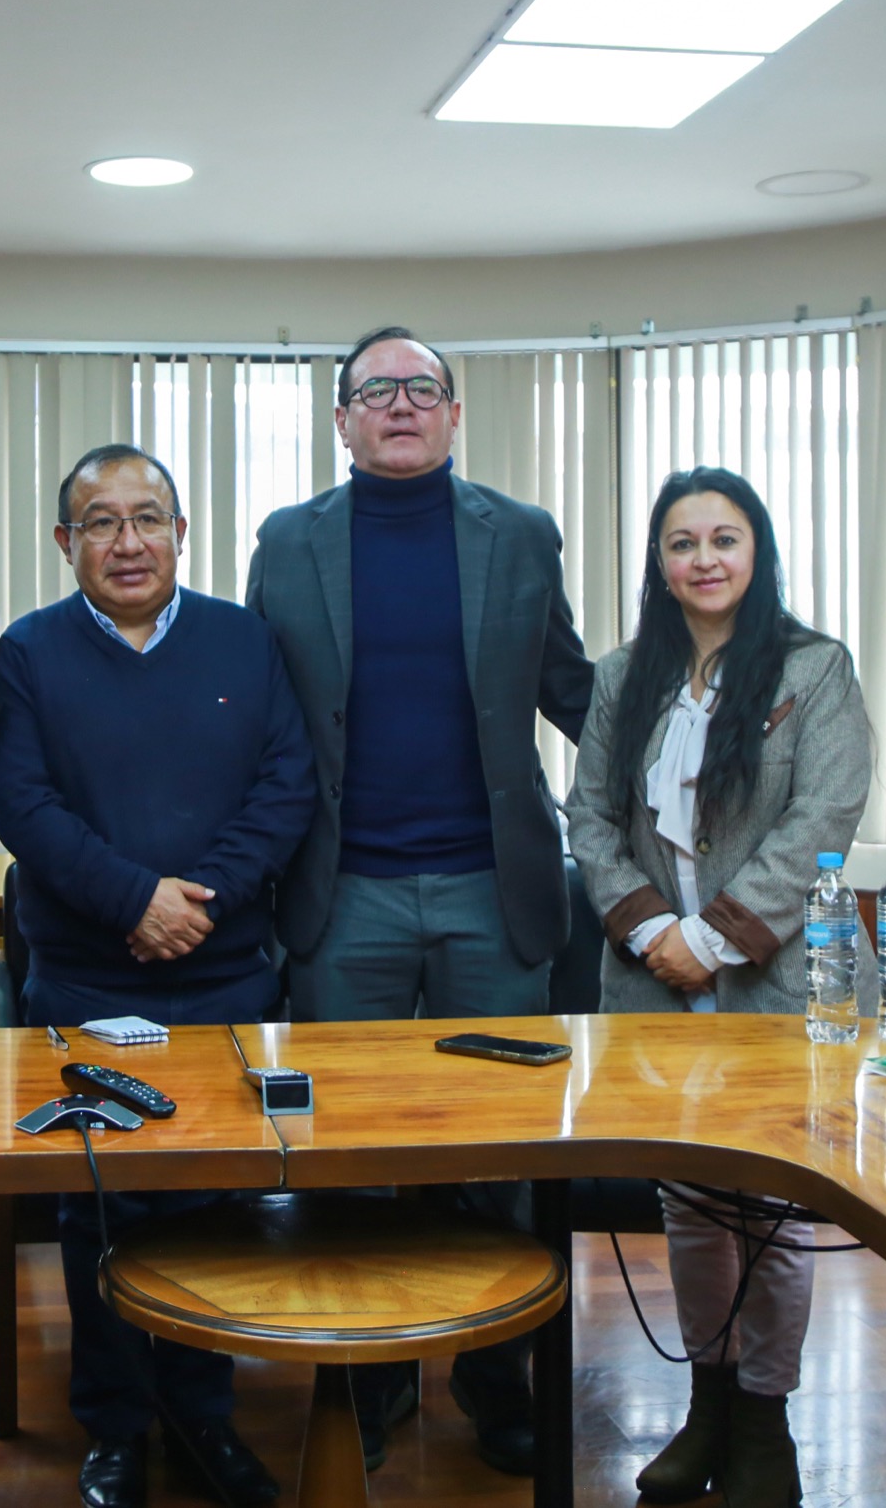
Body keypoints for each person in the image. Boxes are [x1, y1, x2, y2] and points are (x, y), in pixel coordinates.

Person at [242, 325, 596, 1474]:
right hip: (343, 897)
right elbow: (261, 714)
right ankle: (370, 1373)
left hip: (495, 892)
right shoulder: (288, 545)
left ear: (453, 413)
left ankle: (497, 1377)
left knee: (496, 1145)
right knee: (353, 1147)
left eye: (421, 388)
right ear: (341, 419)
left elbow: (573, 692)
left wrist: (702, 736)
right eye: (375, 390)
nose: (400, 404)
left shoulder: (522, 535)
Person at [0, 445, 313, 1508]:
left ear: (181, 531)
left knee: (209, 1201)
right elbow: (23, 806)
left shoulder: (246, 640)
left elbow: (285, 785)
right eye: (99, 520)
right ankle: (116, 1425)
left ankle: (201, 1416)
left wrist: (190, 902)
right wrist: (133, 900)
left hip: (222, 978)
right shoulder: (26, 653)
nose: (127, 540)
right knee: (99, 1206)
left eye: (147, 517)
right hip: (85, 980)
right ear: (64, 541)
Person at [563, 466, 872, 1508]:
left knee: (772, 1209)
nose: (703, 559)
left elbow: (819, 823)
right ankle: (706, 1403)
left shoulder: (814, 668)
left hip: (774, 978)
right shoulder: (622, 676)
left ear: (757, 550)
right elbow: (590, 820)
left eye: (723, 538)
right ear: (657, 560)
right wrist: (654, 928)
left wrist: (713, 935)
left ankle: (764, 1421)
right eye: (681, 541)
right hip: (653, 979)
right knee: (690, 1207)